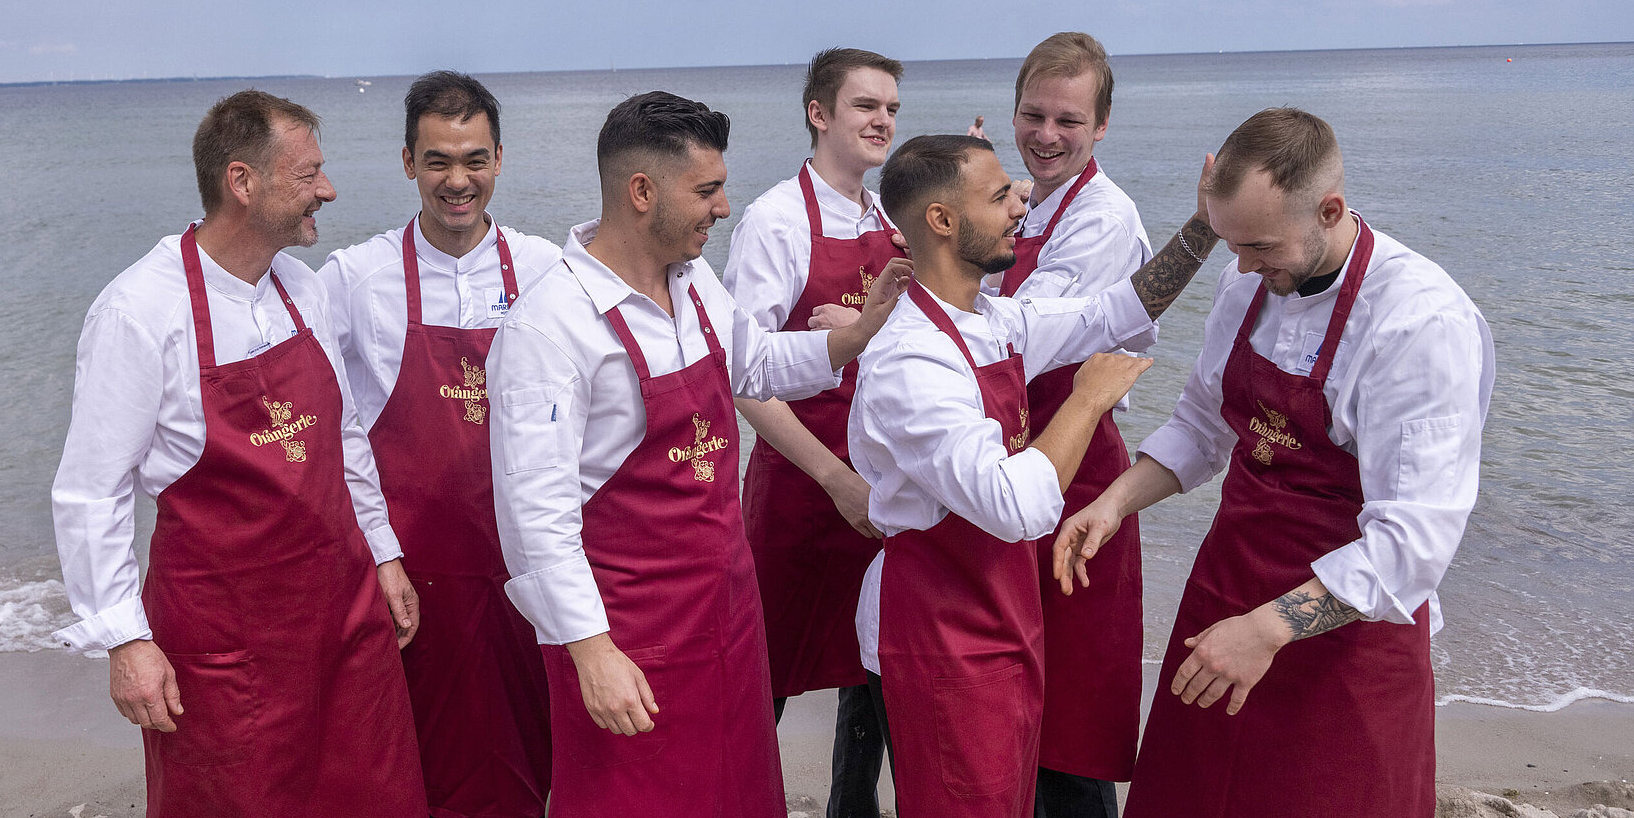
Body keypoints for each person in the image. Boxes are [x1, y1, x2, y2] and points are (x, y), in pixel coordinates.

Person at [1053, 107, 1492, 818]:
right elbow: (1203, 424)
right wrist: (1113, 502)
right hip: (1226, 593)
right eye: (1232, 243)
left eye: (1259, 245)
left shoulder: (1420, 323)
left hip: (1349, 644)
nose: (1244, 266)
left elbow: (1411, 546)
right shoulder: (1247, 281)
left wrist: (1267, 629)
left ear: (1330, 209)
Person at [487, 92, 912, 818]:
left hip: (726, 617)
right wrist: (590, 652)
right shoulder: (550, 326)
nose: (723, 208)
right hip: (629, 638)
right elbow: (535, 516)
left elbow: (756, 363)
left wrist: (856, 334)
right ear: (641, 191)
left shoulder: (693, 283)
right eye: (707, 190)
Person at [50, 90, 425, 817]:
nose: (329, 189)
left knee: (373, 796)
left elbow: (343, 437)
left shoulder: (300, 289)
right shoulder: (138, 311)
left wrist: (382, 551)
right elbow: (92, 491)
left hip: (343, 620)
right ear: (242, 181)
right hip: (226, 651)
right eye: (309, 174)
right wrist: (124, 639)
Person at [850, 133, 1222, 818]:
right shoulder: (911, 362)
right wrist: (1086, 399)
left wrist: (1204, 229)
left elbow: (1114, 310)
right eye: (999, 196)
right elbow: (1016, 504)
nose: (1019, 206)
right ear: (942, 220)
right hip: (937, 632)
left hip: (999, 610)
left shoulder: (993, 319)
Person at [318, 71, 560, 818]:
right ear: (406, 162)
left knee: (531, 754)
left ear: (499, 159)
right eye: (437, 161)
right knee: (407, 761)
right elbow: (328, 425)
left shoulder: (548, 269)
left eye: (475, 159)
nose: (458, 181)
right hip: (410, 577)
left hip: (524, 568)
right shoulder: (353, 278)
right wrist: (375, 553)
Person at [725, 47, 902, 817]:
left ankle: (848, 807)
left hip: (882, 486)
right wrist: (834, 478)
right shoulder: (774, 220)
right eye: (866, 106)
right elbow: (742, 377)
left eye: (891, 107)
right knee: (762, 674)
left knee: (873, 667)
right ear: (818, 112)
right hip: (803, 488)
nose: (883, 120)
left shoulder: (886, 216)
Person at [996, 33, 1151, 818]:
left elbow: (1030, 332)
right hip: (1016, 471)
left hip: (1081, 476)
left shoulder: (1104, 217)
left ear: (1103, 124)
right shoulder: (1022, 204)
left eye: (1069, 119)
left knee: (1072, 716)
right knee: (1019, 698)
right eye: (1034, 114)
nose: (1047, 134)